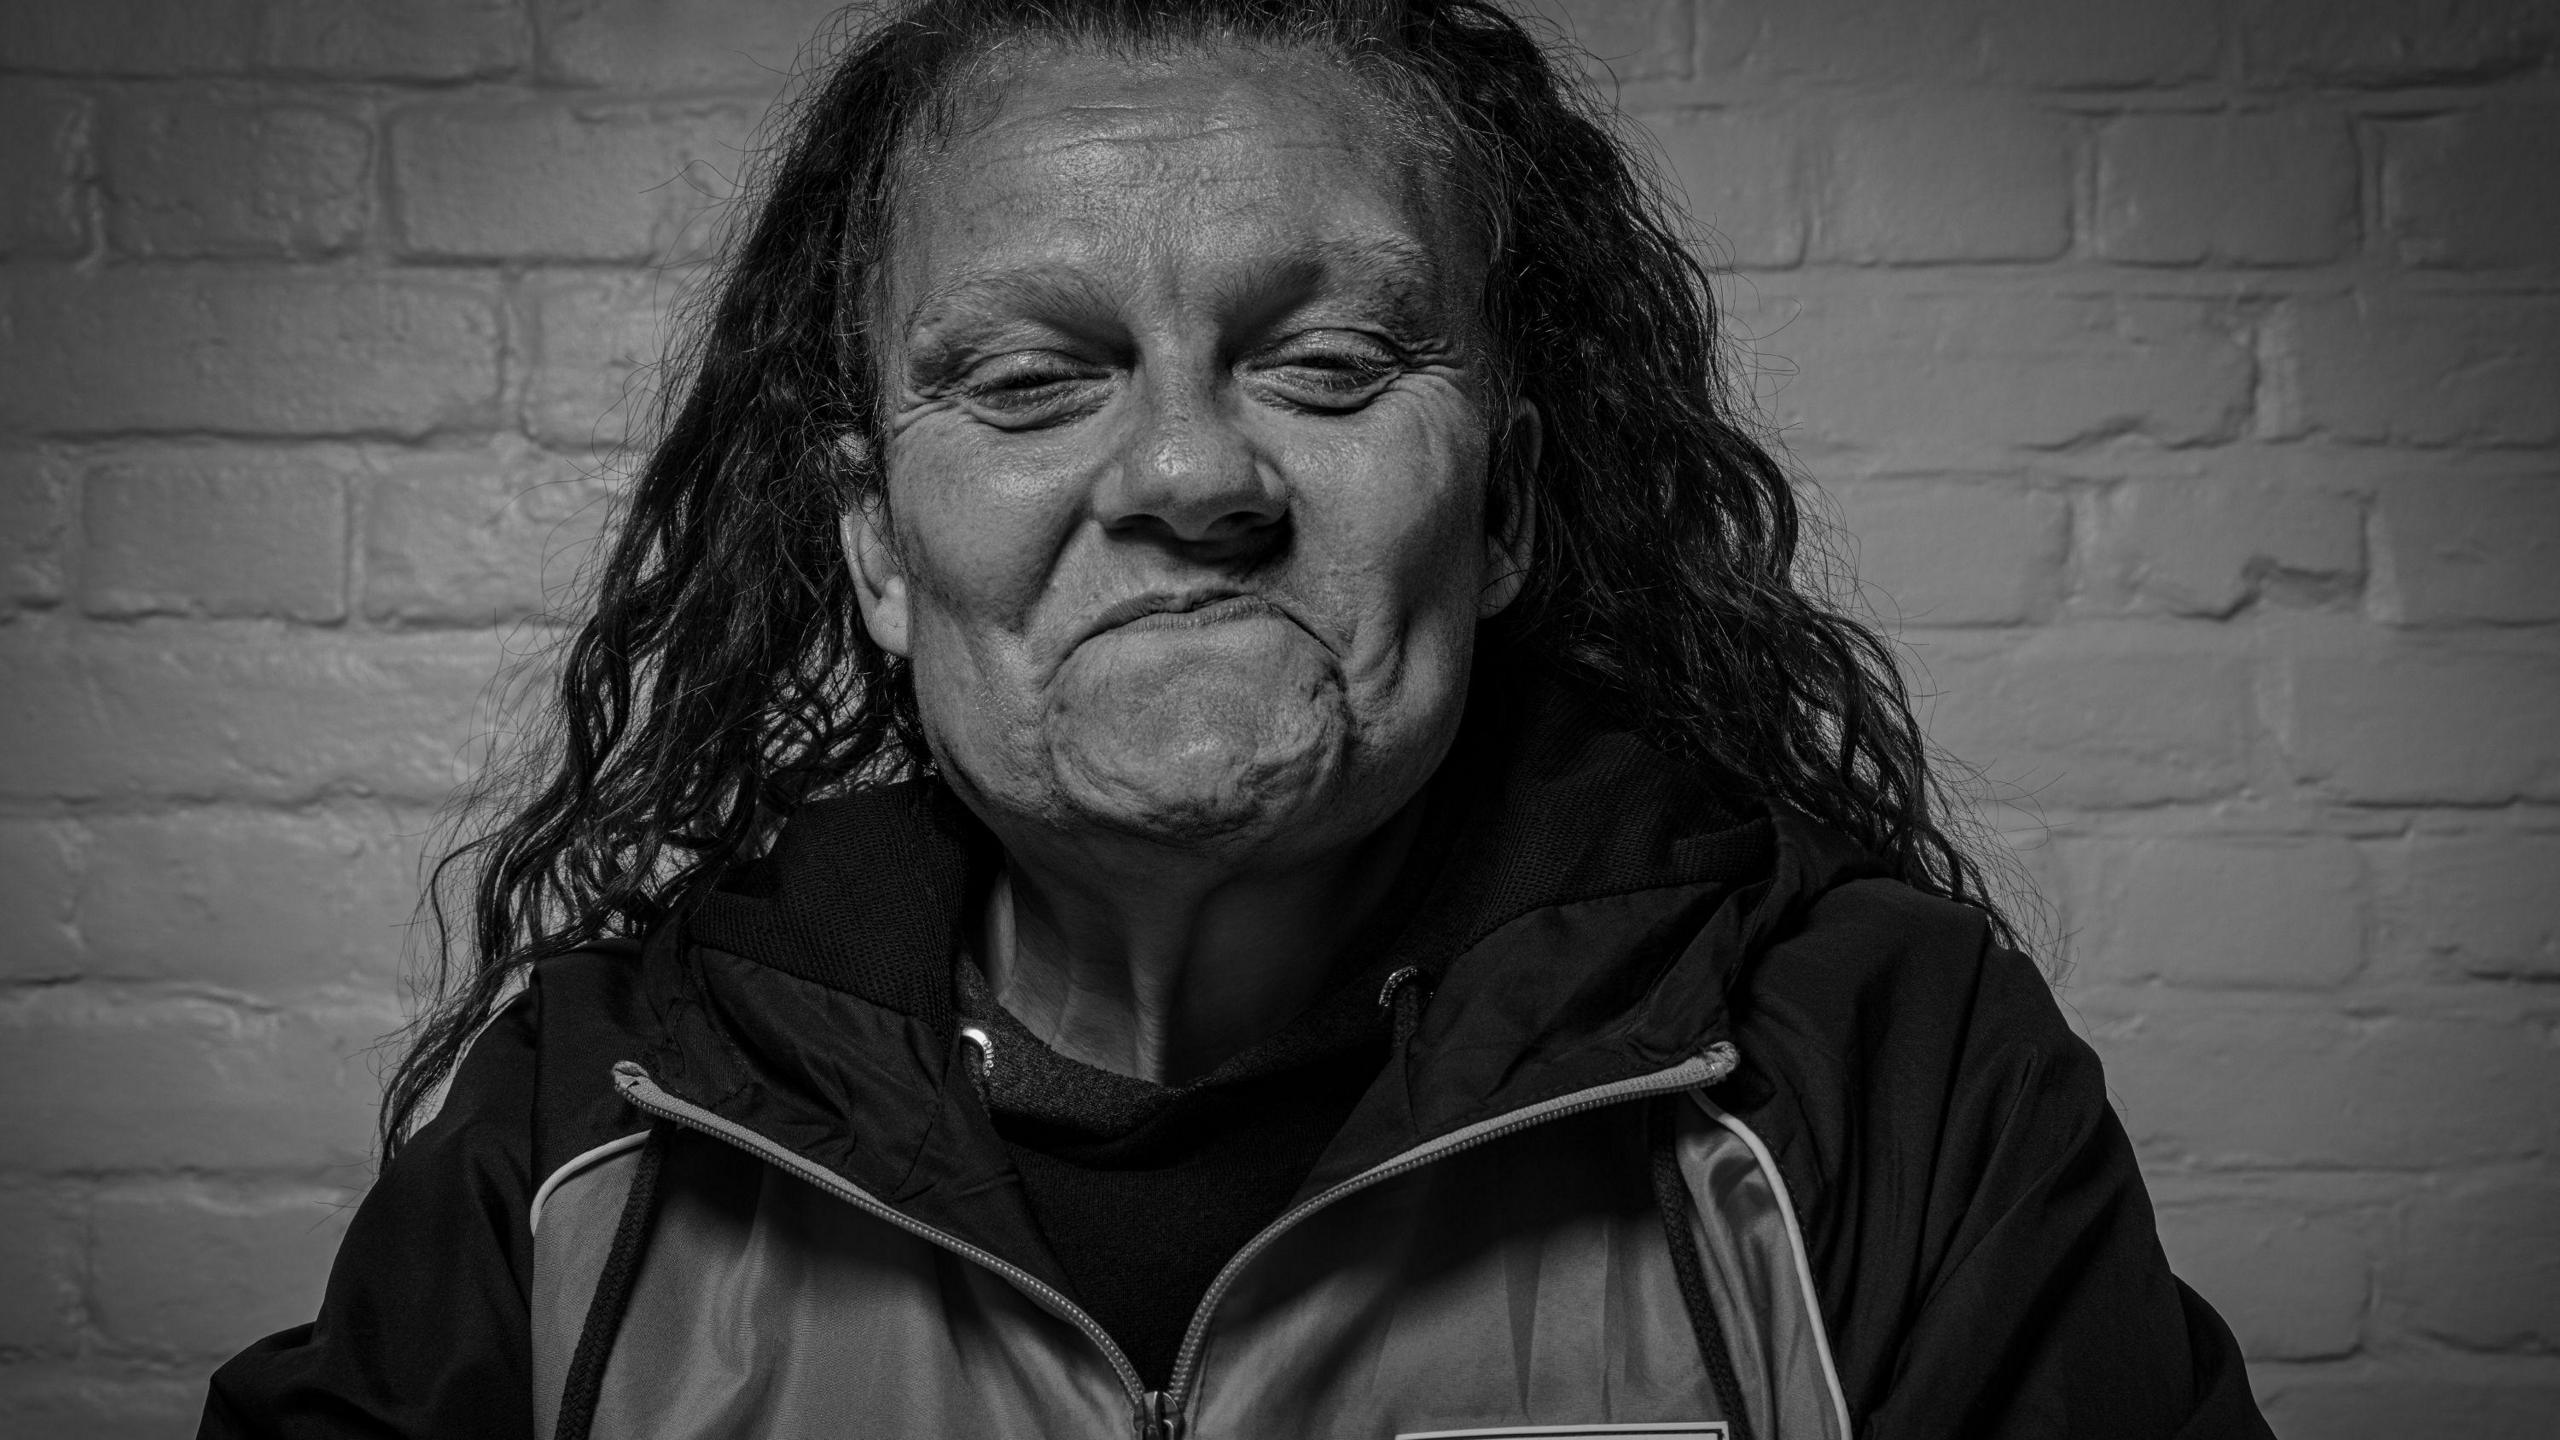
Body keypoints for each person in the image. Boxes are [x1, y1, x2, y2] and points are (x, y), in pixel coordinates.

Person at [201, 1, 2275, 1435]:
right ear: (874, 552)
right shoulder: (594, 1124)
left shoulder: (1879, 1075)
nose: (1191, 476)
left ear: (1511, 508)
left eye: (1329, 362)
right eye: (1028, 381)